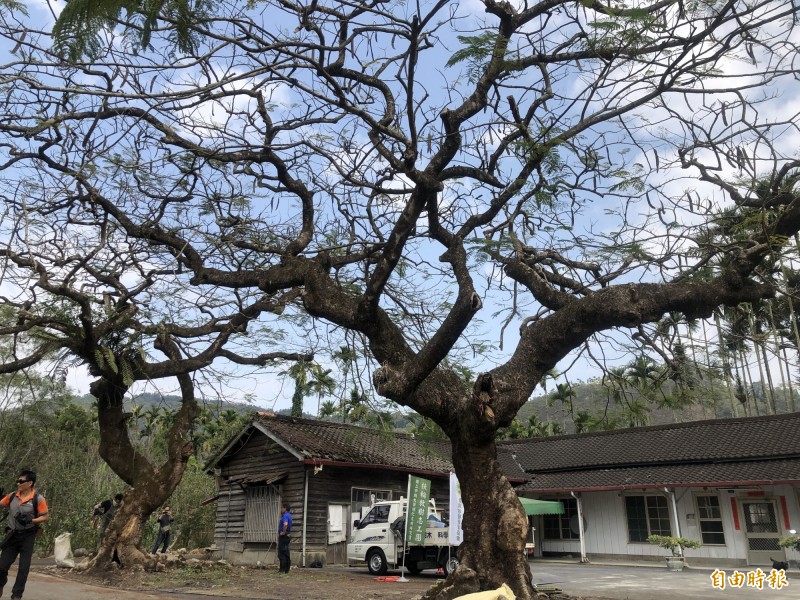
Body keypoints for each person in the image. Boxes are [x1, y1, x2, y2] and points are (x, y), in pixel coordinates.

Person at [0, 470, 49, 600]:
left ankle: (16, 595)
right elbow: (1, 505)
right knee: (1, 567)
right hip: (12, 535)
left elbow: (45, 517)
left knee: (23, 568)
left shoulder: (38, 498)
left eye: (21, 481)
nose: (18, 483)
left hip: (28, 536)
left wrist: (31, 520)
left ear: (30, 483)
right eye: (18, 481)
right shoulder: (12, 496)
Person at [277, 503, 292, 573]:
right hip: (288, 535)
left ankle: (282, 569)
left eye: (282, 508)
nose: (281, 509)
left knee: (281, 552)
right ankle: (287, 569)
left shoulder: (285, 516)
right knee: (286, 552)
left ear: (285, 508)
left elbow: (285, 524)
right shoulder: (289, 515)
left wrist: (283, 532)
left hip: (284, 536)